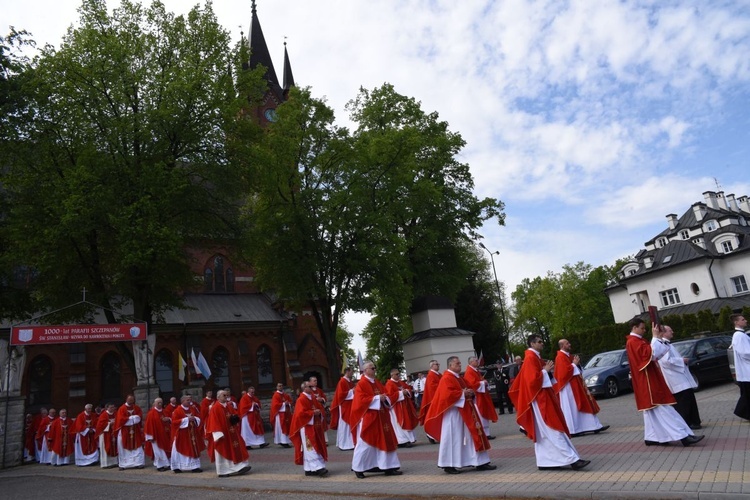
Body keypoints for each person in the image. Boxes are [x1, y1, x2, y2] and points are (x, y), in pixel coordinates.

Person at [509, 334, 590, 471]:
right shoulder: (530, 358)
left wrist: (547, 372)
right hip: (540, 400)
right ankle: (573, 460)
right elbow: (532, 381)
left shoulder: (535, 357)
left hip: (543, 396)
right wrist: (545, 371)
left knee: (544, 433)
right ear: (532, 343)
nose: (542, 344)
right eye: (539, 342)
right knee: (553, 428)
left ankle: (545, 460)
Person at [625, 317, 703, 446]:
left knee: (652, 412)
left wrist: (656, 340)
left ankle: (652, 437)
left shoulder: (636, 341)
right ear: (634, 328)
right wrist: (655, 338)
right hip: (649, 382)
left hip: (649, 380)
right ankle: (683, 436)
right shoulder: (633, 342)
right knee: (665, 410)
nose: (645, 331)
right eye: (642, 328)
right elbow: (650, 354)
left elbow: (657, 353)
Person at [424, 356, 496, 474]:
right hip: (453, 414)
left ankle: (480, 462)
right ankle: (447, 464)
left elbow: (470, 386)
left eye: (460, 363)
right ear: (450, 365)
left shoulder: (458, 378)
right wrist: (463, 393)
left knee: (473, 435)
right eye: (457, 363)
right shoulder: (447, 378)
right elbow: (446, 395)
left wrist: (470, 391)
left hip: (466, 410)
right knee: (453, 438)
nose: (460, 365)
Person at [349, 360, 402, 479]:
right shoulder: (361, 384)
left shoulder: (377, 382)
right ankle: (358, 467)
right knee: (366, 442)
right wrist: (378, 398)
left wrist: (384, 398)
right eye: (372, 368)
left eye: (374, 368)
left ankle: (388, 466)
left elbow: (386, 394)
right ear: (365, 370)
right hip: (370, 417)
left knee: (386, 440)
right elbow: (360, 400)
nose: (374, 370)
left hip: (382, 416)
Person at [554, 339, 609, 436]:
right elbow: (563, 374)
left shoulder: (568, 356)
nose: (570, 344)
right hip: (568, 388)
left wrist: (577, 365)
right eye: (567, 343)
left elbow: (575, 368)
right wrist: (574, 365)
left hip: (576, 385)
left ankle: (594, 426)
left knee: (585, 403)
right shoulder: (560, 357)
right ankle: (573, 430)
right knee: (573, 408)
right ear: (562, 346)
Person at [652, 325, 702, 429]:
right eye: (670, 330)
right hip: (675, 378)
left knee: (689, 399)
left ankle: (694, 421)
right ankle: (686, 423)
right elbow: (666, 361)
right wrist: (681, 361)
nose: (672, 332)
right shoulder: (661, 345)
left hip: (680, 376)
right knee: (683, 402)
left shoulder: (667, 344)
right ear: (663, 333)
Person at [205, 389, 251, 477]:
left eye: (226, 395)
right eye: (224, 395)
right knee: (224, 451)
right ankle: (223, 471)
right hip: (223, 434)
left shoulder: (228, 406)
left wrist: (236, 418)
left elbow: (235, 414)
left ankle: (239, 467)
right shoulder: (215, 408)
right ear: (218, 397)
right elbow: (213, 422)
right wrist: (218, 434)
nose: (226, 397)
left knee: (237, 448)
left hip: (232, 432)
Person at [289, 381, 329, 477]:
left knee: (314, 446)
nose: (312, 388)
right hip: (307, 427)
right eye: (309, 387)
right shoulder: (301, 399)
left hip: (315, 426)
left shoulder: (312, 398)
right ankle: (318, 467)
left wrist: (319, 412)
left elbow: (319, 408)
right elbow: (300, 414)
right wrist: (312, 413)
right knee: (310, 447)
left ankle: (308, 469)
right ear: (304, 388)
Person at [463, 356, 498, 439]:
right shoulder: (469, 372)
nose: (477, 362)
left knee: (484, 414)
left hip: (482, 395)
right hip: (478, 397)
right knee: (481, 414)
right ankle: (483, 434)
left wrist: (483, 382)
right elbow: (472, 384)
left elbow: (479, 380)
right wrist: (482, 383)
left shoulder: (475, 371)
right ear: (471, 362)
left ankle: (487, 433)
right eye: (475, 360)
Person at [170, 394, 205, 473]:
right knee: (179, 450)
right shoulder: (177, 410)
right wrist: (186, 419)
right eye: (187, 400)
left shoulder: (192, 409)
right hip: (182, 434)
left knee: (193, 449)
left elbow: (199, 418)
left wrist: (195, 419)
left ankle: (195, 466)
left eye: (190, 400)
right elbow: (174, 422)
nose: (189, 402)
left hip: (192, 433)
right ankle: (177, 467)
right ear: (182, 401)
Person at [385, 368, 419, 447]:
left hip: (405, 406)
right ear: (392, 375)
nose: (398, 375)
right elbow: (389, 397)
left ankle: (410, 439)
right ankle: (402, 441)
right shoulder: (389, 384)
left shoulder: (401, 382)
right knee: (399, 424)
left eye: (399, 374)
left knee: (408, 420)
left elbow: (409, 389)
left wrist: (407, 391)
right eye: (397, 374)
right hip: (396, 408)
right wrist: (401, 393)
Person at [115, 394, 145, 470]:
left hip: (135, 430)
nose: (131, 402)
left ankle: (139, 463)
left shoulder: (136, 408)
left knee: (137, 446)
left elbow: (140, 416)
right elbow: (120, 419)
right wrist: (131, 418)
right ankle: (123, 465)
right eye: (130, 401)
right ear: (126, 400)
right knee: (123, 448)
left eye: (132, 401)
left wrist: (135, 418)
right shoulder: (121, 409)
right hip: (125, 431)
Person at [330, 366, 356, 451]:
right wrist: (352, 391)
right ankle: (344, 444)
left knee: (351, 424)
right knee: (345, 425)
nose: (352, 373)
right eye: (352, 371)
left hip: (351, 405)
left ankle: (351, 442)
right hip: (345, 406)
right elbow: (340, 395)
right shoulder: (342, 382)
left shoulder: (350, 382)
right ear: (347, 371)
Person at [730, 314, 750, 420]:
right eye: (743, 319)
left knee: (746, 395)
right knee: (746, 395)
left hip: (746, 370)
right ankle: (743, 412)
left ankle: (744, 413)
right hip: (747, 370)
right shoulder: (739, 335)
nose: (745, 320)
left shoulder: (741, 335)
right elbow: (745, 353)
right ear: (736, 322)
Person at [144, 398, 172, 471]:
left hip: (166, 435)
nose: (160, 404)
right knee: (158, 451)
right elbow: (148, 425)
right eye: (158, 403)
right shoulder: (151, 413)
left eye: (161, 402)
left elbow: (172, 419)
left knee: (167, 449)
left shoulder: (165, 411)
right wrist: (150, 437)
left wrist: (168, 419)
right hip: (156, 436)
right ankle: (160, 466)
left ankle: (168, 464)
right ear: (155, 403)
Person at [418, 360, 441, 443]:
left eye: (438, 364)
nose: (438, 365)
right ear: (431, 366)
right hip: (432, 400)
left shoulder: (438, 374)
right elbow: (432, 388)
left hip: (438, 398)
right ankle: (430, 434)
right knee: (434, 418)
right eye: (436, 364)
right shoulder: (431, 375)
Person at [96, 403, 118, 468]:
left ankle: (115, 462)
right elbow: (100, 425)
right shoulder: (103, 415)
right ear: (107, 408)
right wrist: (109, 423)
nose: (112, 409)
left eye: (113, 407)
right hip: (105, 434)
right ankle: (106, 464)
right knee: (106, 447)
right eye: (111, 407)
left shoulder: (115, 414)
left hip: (113, 433)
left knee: (114, 447)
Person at [271, 382, 293, 448]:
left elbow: (290, 401)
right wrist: (283, 404)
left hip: (286, 414)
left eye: (281, 386)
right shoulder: (276, 395)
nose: (280, 387)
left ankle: (286, 441)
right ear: (277, 387)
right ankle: (282, 441)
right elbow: (275, 405)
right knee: (281, 428)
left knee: (287, 426)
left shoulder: (285, 395)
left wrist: (288, 403)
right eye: (279, 386)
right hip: (280, 414)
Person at [308, 376, 329, 444]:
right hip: (314, 410)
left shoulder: (319, 390)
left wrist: (322, 399)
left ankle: (325, 440)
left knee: (323, 424)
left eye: (316, 380)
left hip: (321, 410)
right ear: (310, 382)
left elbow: (325, 398)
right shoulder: (309, 391)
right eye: (314, 381)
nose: (316, 382)